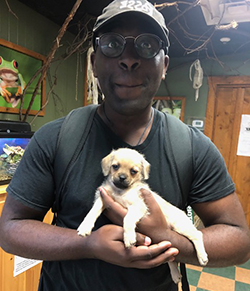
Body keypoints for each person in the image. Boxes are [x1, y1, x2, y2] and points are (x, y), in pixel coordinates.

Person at [0, 0, 250, 290]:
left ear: (165, 65)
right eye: (111, 44)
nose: (128, 59)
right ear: (93, 62)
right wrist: (89, 244)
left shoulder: (193, 148)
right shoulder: (55, 138)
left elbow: (240, 241)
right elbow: (10, 229)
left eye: (147, 45)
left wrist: (169, 238)